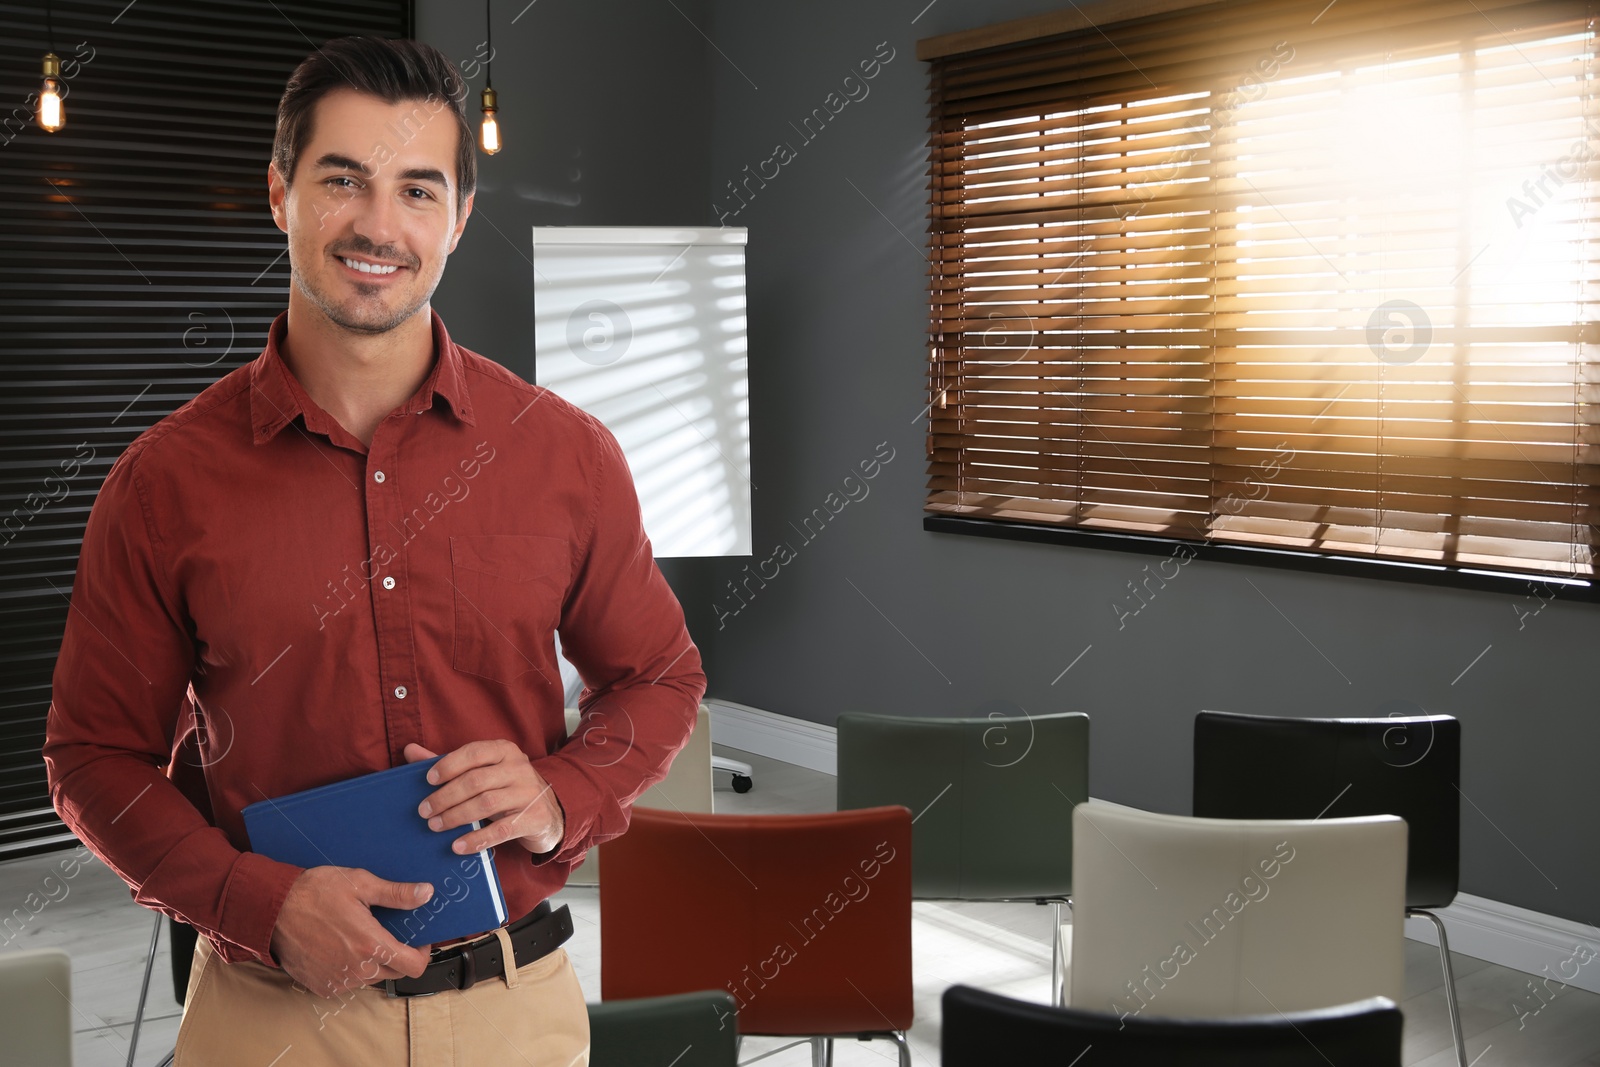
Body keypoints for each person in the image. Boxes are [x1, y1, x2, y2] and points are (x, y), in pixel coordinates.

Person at [42, 36, 705, 1067]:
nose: (378, 225)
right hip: (267, 1018)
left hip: (513, 1012)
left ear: (459, 218)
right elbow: (93, 757)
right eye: (341, 180)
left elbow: (660, 675)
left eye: (417, 189)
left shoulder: (565, 454)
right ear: (280, 193)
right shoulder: (162, 482)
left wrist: (558, 792)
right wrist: (252, 900)